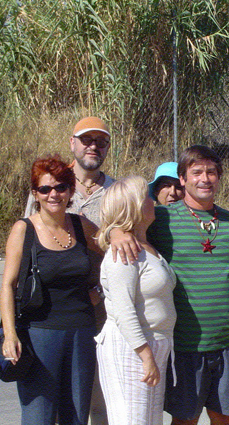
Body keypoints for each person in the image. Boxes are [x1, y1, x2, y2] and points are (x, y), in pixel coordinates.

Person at [109, 145, 229, 425]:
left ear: (219, 177)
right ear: (183, 179)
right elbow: (126, 221)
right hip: (184, 346)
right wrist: (116, 232)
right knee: (185, 420)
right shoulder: (161, 219)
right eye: (196, 172)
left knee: (225, 419)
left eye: (211, 172)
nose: (204, 179)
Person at [23, 116, 115, 425]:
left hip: (101, 315)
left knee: (97, 404)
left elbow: (118, 252)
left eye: (100, 141)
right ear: (72, 143)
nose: (93, 146)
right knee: (45, 406)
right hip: (47, 316)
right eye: (86, 140)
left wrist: (100, 290)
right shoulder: (47, 184)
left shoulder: (116, 192)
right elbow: (27, 249)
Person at [1, 155, 101, 424]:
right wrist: (10, 334)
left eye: (60, 187)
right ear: (35, 193)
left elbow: (113, 251)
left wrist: (101, 290)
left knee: (76, 415)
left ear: (70, 191)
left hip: (82, 331)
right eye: (45, 189)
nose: (53, 194)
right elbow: (8, 285)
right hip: (39, 334)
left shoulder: (80, 225)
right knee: (39, 416)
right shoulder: (24, 229)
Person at [96, 176, 176, 425]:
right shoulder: (122, 252)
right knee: (131, 420)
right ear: (134, 206)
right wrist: (146, 355)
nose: (153, 201)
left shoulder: (146, 245)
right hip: (132, 348)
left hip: (155, 344)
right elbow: (123, 310)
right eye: (147, 197)